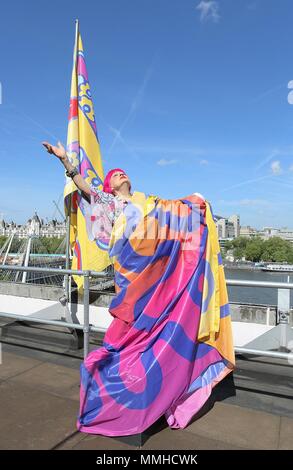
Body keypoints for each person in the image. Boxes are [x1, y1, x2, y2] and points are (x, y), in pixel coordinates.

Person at [42, 140, 235, 437]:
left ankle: (155, 389)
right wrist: (65, 161)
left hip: (155, 282)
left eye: (122, 172)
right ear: (109, 187)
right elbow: (83, 186)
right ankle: (118, 388)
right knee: (129, 335)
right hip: (132, 282)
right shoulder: (109, 204)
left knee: (156, 335)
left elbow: (174, 224)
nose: (120, 174)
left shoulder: (151, 204)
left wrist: (194, 206)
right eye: (115, 175)